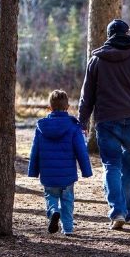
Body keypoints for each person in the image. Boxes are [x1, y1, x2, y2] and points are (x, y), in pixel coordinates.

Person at [78, 19, 130, 230]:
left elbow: (86, 96)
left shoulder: (96, 61)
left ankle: (117, 212)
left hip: (106, 121)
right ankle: (129, 213)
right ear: (126, 33)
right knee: (129, 168)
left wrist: (83, 121)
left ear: (109, 36)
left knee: (111, 166)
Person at [28, 90, 93, 235]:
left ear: (49, 108)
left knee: (50, 196)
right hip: (67, 175)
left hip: (48, 174)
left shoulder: (41, 128)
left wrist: (33, 171)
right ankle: (68, 229)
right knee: (67, 201)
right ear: (68, 107)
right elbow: (81, 150)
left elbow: (35, 150)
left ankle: (53, 212)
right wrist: (86, 171)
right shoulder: (73, 127)